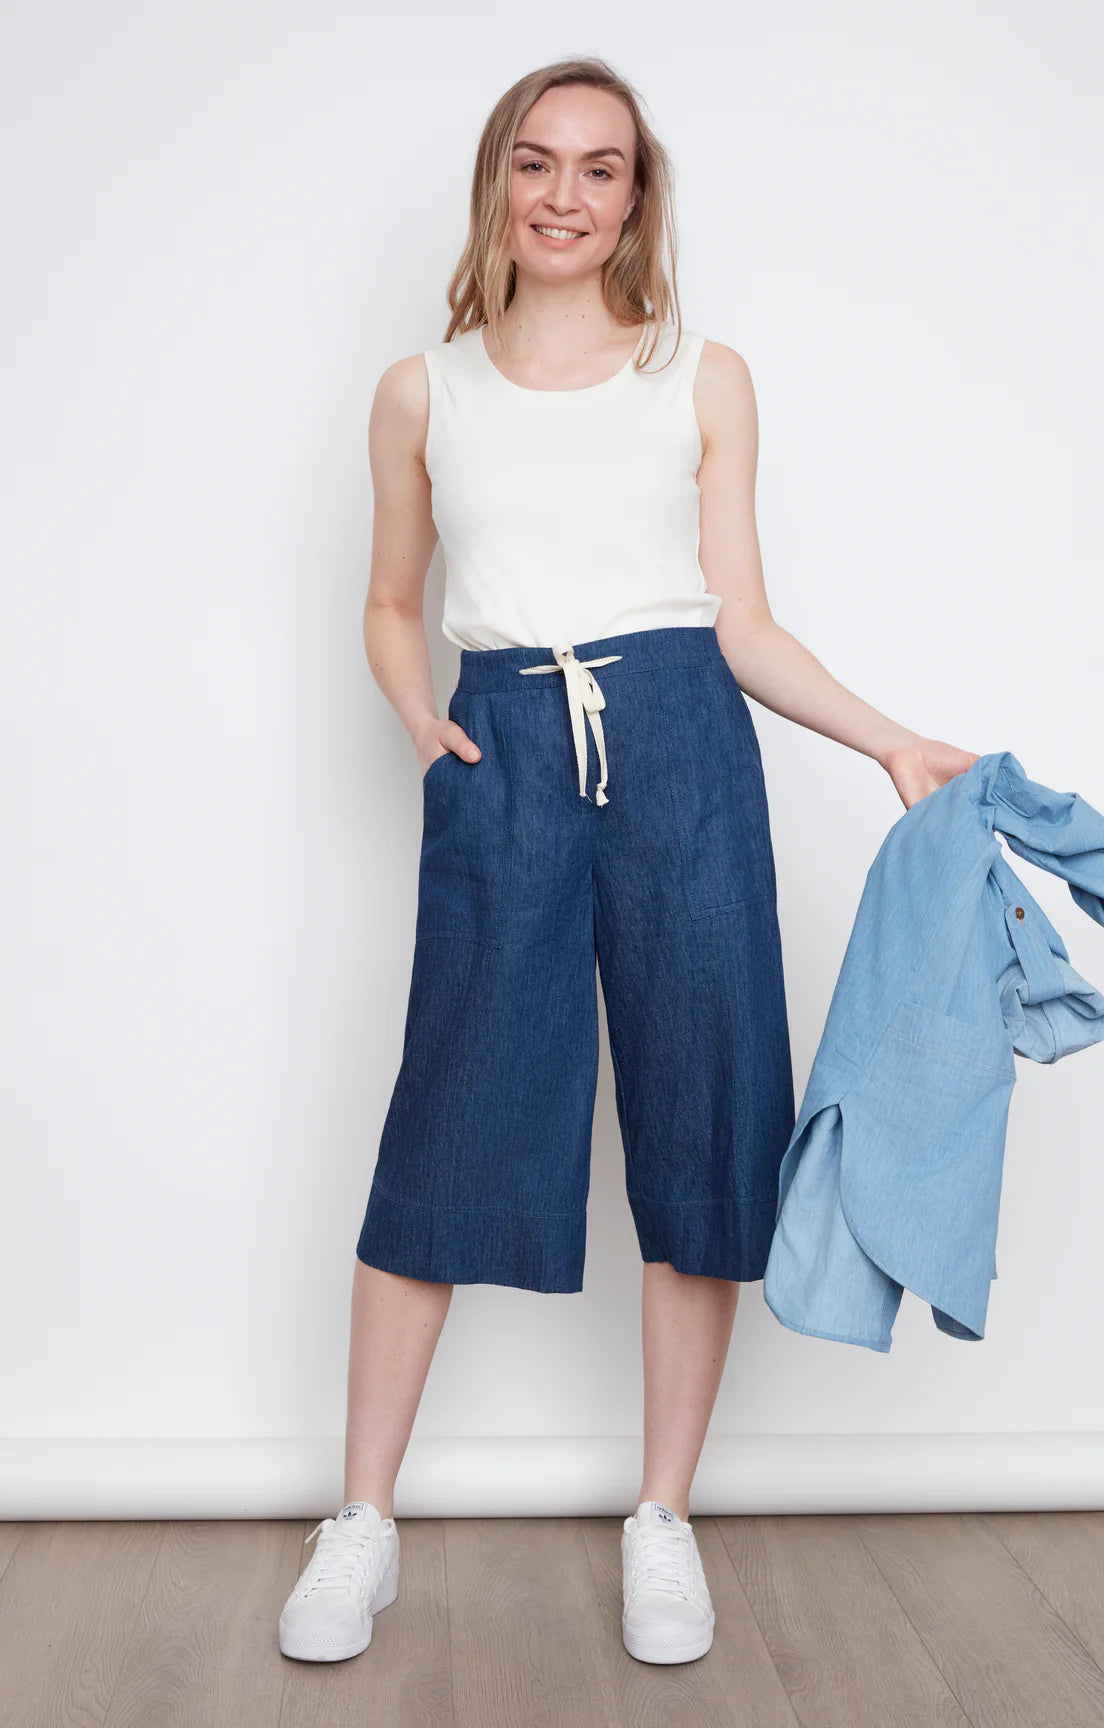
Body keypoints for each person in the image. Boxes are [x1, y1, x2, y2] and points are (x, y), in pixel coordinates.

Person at [278, 56, 979, 1668]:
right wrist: (423, 729)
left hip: (679, 741)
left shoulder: (700, 377)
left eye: (601, 169)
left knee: (705, 1114)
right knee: (449, 1118)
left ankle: (661, 1518)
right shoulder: (422, 391)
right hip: (505, 742)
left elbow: (741, 621)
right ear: (497, 185)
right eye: (537, 164)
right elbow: (393, 599)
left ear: (638, 197)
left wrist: (889, 741)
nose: (566, 195)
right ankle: (361, 1521)